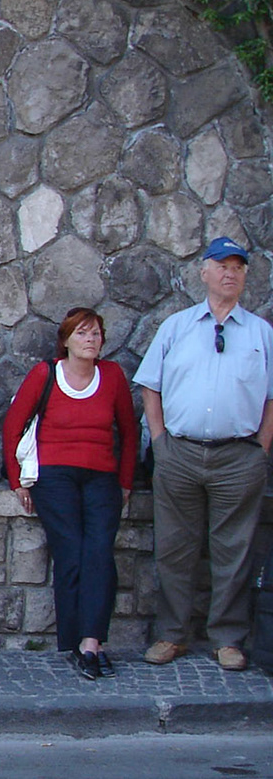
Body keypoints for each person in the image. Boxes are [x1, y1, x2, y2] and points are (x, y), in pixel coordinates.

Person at [133, 237, 273, 672]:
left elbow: (271, 398)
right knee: (175, 548)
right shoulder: (176, 327)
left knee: (234, 549)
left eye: (238, 266)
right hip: (180, 453)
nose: (230, 273)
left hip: (239, 457)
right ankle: (172, 634)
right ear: (204, 273)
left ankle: (227, 638)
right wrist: (160, 441)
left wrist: (260, 452)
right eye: (222, 265)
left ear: (245, 276)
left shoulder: (261, 334)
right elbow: (150, 385)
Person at [2, 307, 139, 680]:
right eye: (82, 333)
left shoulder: (111, 376)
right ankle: (75, 640)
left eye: (95, 334)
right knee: (72, 550)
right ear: (66, 340)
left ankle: (92, 643)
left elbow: (129, 432)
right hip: (54, 476)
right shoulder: (45, 373)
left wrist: (125, 481)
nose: (90, 340)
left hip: (101, 476)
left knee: (99, 552)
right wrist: (18, 482)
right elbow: (13, 427)